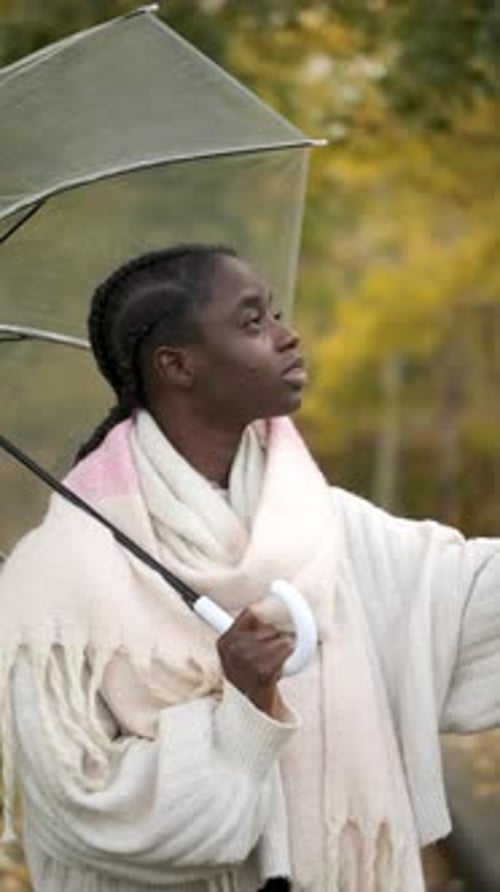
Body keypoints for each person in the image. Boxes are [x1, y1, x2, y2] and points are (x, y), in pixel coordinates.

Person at [0, 244, 499, 892]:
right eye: (252, 321)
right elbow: (85, 807)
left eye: (277, 314)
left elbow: (466, 601)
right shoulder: (59, 580)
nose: (289, 337)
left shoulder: (330, 527)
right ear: (176, 364)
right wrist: (240, 710)